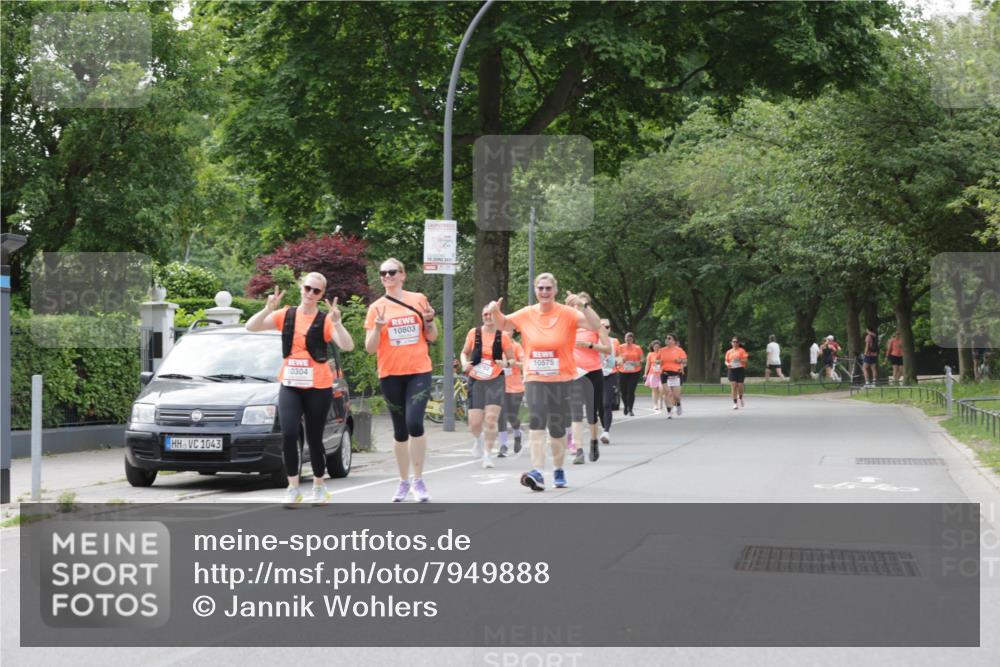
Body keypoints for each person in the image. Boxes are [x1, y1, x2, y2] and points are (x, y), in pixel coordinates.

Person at [244, 273, 355, 507]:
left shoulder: (325, 320)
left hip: (318, 386)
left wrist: (337, 323)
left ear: (322, 294)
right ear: (300, 288)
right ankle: (293, 487)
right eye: (308, 288)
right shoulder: (286, 314)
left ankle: (318, 484)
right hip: (291, 384)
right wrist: (266, 309)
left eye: (316, 291)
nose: (311, 294)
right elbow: (251, 327)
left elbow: (347, 345)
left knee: (314, 438)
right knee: (290, 434)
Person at [488, 273, 601, 491]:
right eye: (540, 288)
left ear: (555, 290)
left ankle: (558, 469)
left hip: (563, 378)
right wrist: (495, 310)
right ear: (535, 290)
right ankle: (538, 471)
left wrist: (582, 304)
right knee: (537, 420)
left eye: (548, 288)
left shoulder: (568, 313)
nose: (544, 292)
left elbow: (595, 325)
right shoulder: (527, 313)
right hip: (534, 377)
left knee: (557, 428)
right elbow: (503, 324)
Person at [364, 258, 437, 502]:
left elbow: (433, 336)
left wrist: (429, 321)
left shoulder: (418, 299)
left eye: (392, 272)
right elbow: (370, 348)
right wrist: (377, 328)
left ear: (403, 275)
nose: (387, 276)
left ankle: (419, 480)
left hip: (418, 370)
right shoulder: (376, 307)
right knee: (400, 430)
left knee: (414, 423)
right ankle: (403, 481)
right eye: (383, 272)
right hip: (390, 374)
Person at [461, 305, 514, 469]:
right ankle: (478, 439)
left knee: (491, 419)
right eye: (485, 314)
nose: (487, 317)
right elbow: (464, 352)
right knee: (474, 423)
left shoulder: (503, 336)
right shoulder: (474, 333)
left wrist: (504, 363)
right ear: (482, 316)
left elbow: (511, 360)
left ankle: (487, 455)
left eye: (490, 314)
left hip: (495, 379)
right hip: (476, 379)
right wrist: (465, 364)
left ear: (495, 317)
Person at [569, 293, 611, 465]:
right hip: (574, 373)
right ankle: (579, 449)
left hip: (593, 372)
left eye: (580, 304)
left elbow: (608, 349)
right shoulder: (569, 325)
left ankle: (593, 442)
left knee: (592, 412)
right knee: (576, 412)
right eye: (574, 305)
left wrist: (590, 345)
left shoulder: (596, 325)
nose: (577, 308)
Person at [497, 331, 525, 458]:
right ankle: (503, 445)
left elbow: (524, 364)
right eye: (504, 330)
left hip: (516, 387)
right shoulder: (496, 346)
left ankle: (517, 433)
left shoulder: (517, 346)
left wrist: (511, 363)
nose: (507, 333)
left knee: (512, 415)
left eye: (509, 330)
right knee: (501, 415)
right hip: (499, 386)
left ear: (512, 332)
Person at [599, 319, 620, 445]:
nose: (604, 329)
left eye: (607, 326)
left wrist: (618, 360)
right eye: (602, 326)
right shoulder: (594, 341)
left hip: (610, 374)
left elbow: (619, 355)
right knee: (599, 406)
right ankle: (603, 427)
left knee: (607, 403)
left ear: (610, 328)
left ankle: (606, 431)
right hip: (596, 374)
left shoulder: (614, 341)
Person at [657, 334, 687, 419]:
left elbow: (684, 361)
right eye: (666, 338)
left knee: (676, 396)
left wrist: (680, 360)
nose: (667, 339)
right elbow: (657, 360)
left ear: (674, 341)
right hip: (665, 374)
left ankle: (678, 404)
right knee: (668, 393)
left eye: (669, 338)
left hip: (676, 374)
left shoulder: (679, 350)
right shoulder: (661, 350)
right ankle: (669, 412)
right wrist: (657, 362)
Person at [618, 332, 644, 416]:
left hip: (634, 372)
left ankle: (630, 409)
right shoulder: (620, 347)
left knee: (631, 391)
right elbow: (616, 358)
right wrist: (621, 360)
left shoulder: (637, 347)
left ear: (633, 339)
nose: (628, 340)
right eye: (626, 338)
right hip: (623, 371)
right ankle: (626, 406)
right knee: (623, 391)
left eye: (630, 338)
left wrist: (639, 362)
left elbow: (642, 358)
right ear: (624, 338)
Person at [725, 337, 749, 409]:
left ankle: (740, 397)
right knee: (733, 386)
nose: (735, 343)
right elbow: (726, 361)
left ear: (738, 343)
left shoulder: (742, 350)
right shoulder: (729, 352)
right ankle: (735, 403)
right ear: (731, 343)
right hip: (732, 370)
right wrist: (727, 364)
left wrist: (740, 360)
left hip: (740, 369)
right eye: (733, 342)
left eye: (736, 342)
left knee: (740, 385)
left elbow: (746, 360)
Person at [644, 340, 663, 411]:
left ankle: (660, 400)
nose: (656, 348)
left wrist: (660, 362)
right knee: (654, 390)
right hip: (653, 374)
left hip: (661, 374)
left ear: (660, 347)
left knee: (661, 389)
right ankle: (655, 404)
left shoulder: (662, 353)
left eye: (658, 347)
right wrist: (645, 373)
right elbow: (647, 364)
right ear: (652, 347)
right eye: (655, 347)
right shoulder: (650, 354)